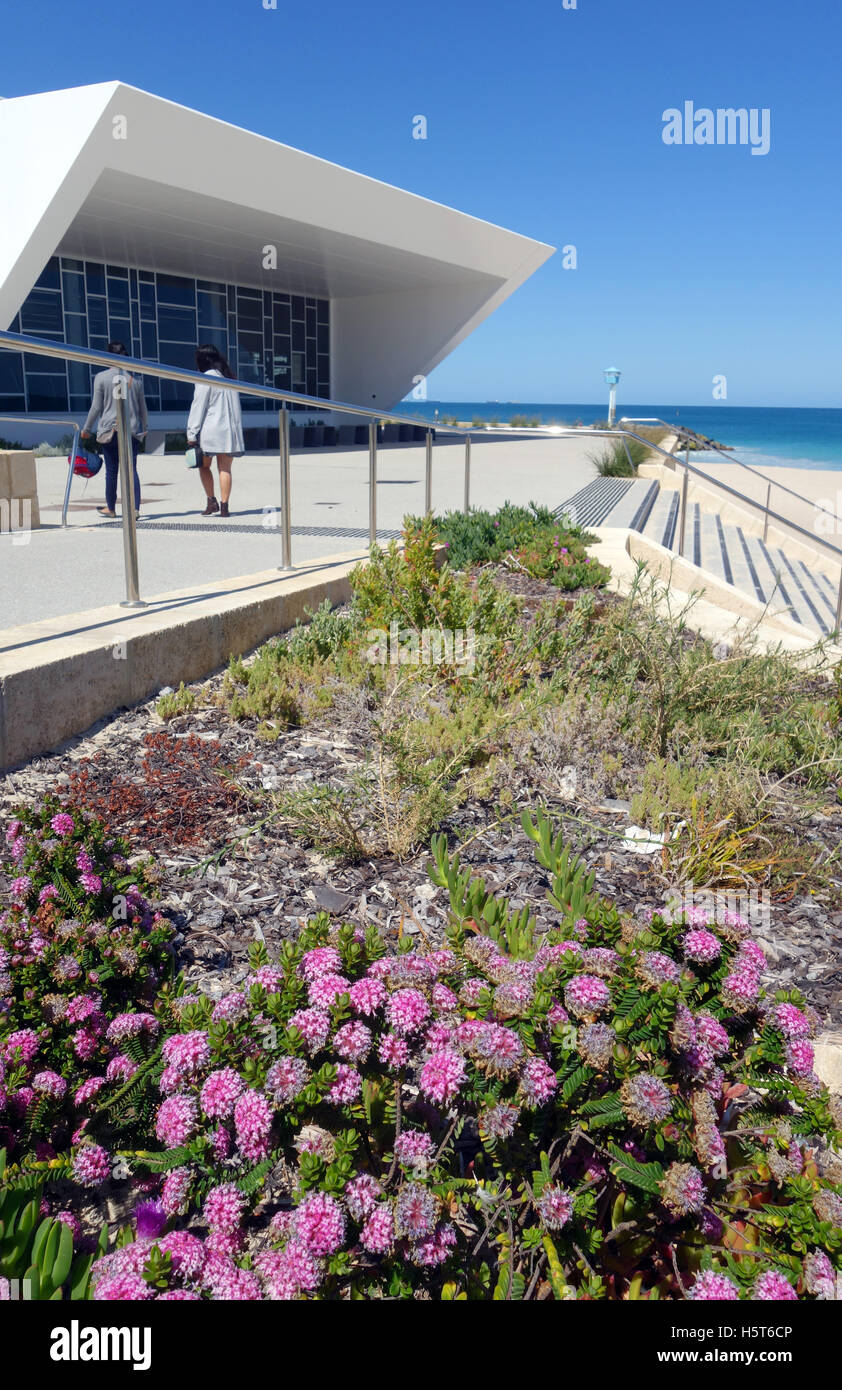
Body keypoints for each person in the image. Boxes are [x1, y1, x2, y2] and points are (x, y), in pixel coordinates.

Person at [81, 342, 147, 519]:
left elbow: (96, 407)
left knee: (111, 471)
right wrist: (145, 428)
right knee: (132, 470)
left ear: (108, 356)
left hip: (110, 432)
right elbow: (143, 410)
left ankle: (111, 508)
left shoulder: (101, 378)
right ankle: (135, 509)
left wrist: (86, 429)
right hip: (131, 432)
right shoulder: (136, 381)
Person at [186, 344, 244, 518]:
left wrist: (191, 433)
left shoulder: (205, 378)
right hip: (230, 432)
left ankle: (211, 501)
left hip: (211, 430)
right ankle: (225, 506)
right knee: (225, 468)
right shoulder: (229, 378)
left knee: (204, 466)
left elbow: (198, 407)